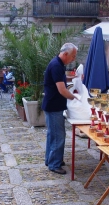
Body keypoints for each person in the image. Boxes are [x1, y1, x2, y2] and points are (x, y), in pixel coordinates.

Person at [42, 43, 79, 175]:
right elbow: (62, 90)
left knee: (53, 135)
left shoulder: (57, 64)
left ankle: (51, 159)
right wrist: (76, 98)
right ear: (65, 54)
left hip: (52, 104)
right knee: (58, 136)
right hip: (53, 106)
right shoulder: (56, 65)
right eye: (73, 56)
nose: (73, 59)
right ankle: (54, 164)